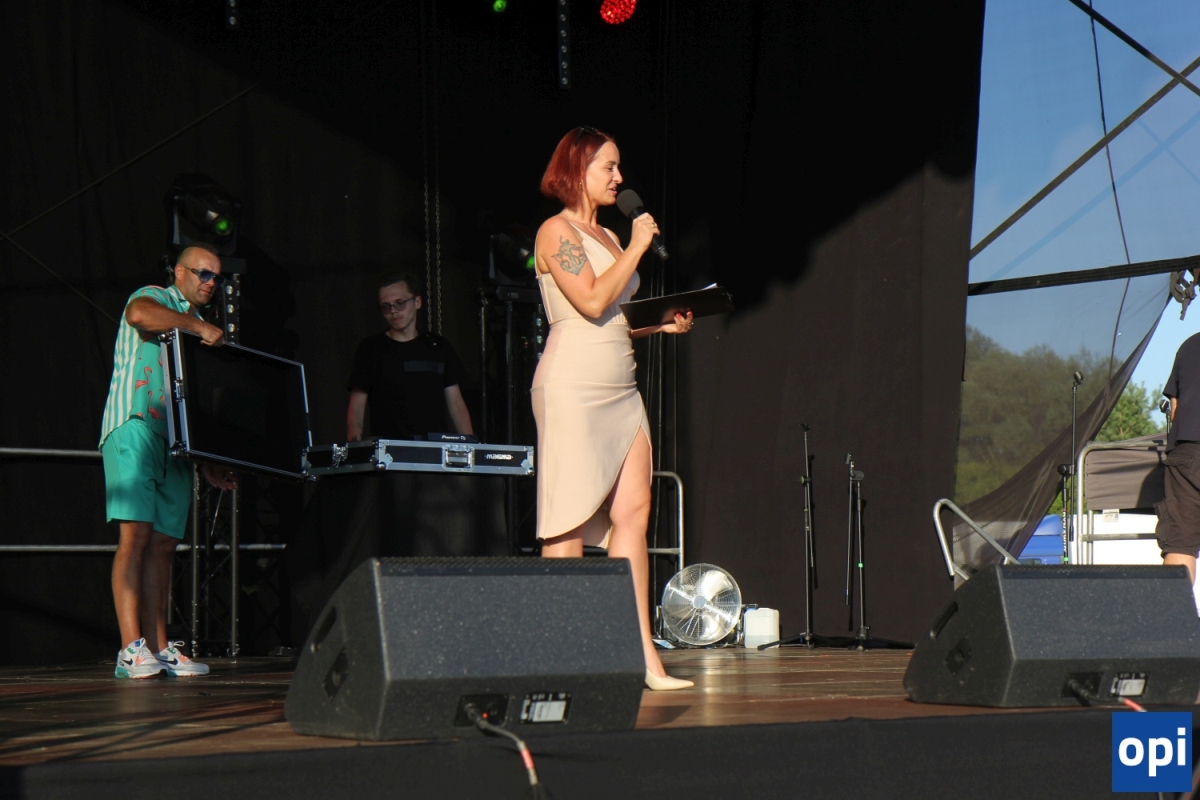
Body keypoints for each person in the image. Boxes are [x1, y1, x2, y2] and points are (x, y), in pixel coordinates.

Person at [532, 126, 695, 691]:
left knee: (634, 514)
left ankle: (642, 655)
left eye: (619, 167)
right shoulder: (556, 231)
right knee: (568, 519)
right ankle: (562, 655)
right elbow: (592, 299)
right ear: (577, 170)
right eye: (609, 167)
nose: (619, 178)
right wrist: (637, 247)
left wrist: (660, 324)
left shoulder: (605, 235)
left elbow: (615, 317)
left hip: (621, 389)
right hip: (573, 388)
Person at [100, 243, 237, 679]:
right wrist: (197, 326)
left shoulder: (195, 328)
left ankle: (159, 648)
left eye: (217, 277)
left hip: (175, 444)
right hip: (135, 424)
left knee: (164, 545)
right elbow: (138, 314)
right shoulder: (156, 297)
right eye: (203, 273)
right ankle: (129, 649)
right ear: (179, 273)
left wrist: (206, 461)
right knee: (135, 535)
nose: (211, 282)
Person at [346, 273, 474, 441]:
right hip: (389, 450)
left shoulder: (438, 347)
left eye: (400, 303)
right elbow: (356, 410)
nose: (393, 311)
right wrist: (354, 451)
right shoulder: (370, 349)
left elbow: (457, 405)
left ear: (417, 302)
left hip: (434, 449)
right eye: (386, 306)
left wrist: (470, 448)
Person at [1158, 333, 1200, 585]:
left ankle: (1173, 611)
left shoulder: (1191, 344)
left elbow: (1175, 411)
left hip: (1189, 451)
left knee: (1180, 545)